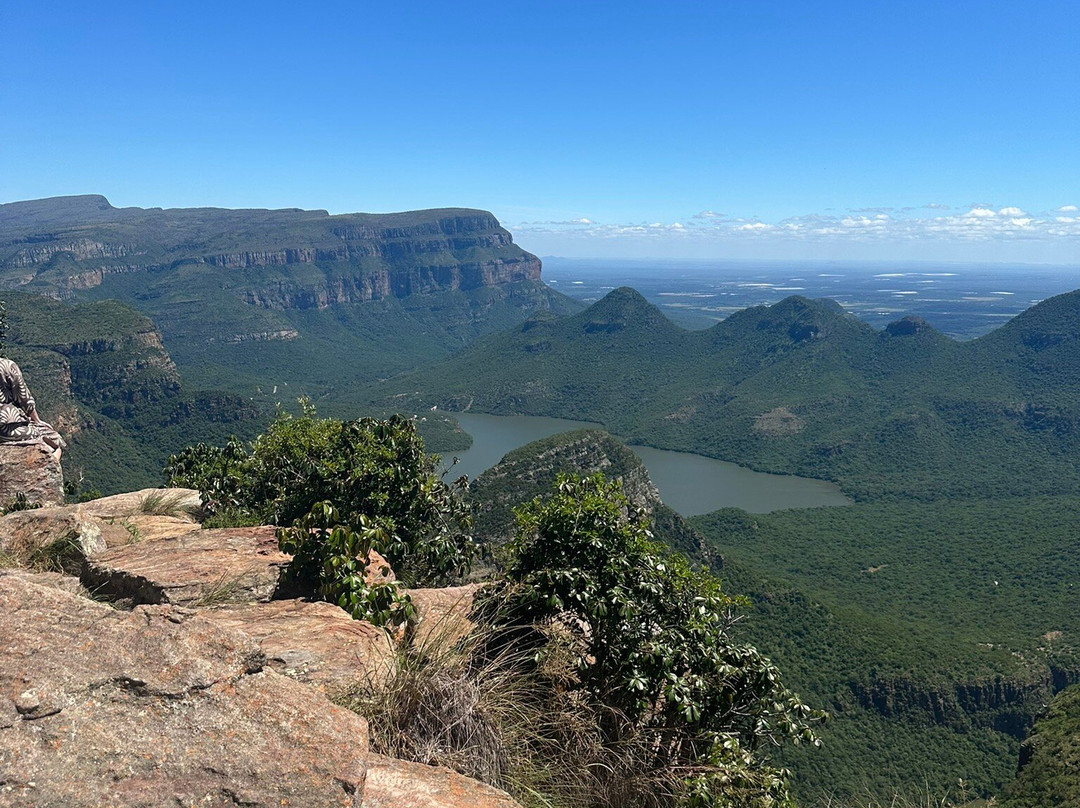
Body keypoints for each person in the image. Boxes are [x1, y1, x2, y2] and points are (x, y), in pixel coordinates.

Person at [0, 357, 66, 460]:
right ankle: (48, 468)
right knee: (55, 441)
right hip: (6, 430)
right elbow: (24, 399)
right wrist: (37, 420)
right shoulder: (7, 365)